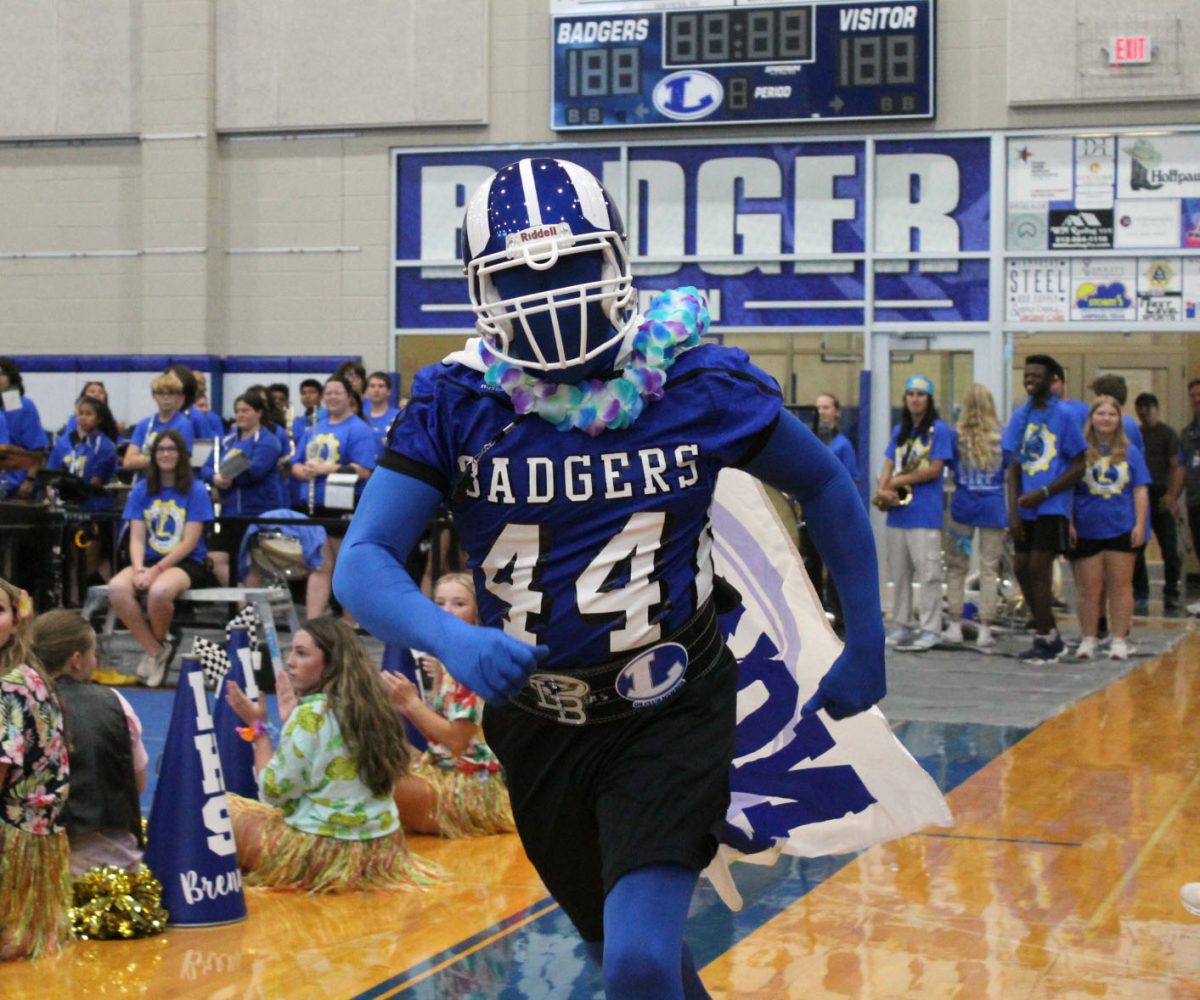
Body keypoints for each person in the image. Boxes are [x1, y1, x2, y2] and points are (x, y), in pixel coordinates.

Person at [333, 157, 885, 999]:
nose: (550, 292)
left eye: (573, 266)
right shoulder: (460, 400)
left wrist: (866, 636)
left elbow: (824, 482)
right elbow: (362, 561)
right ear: (485, 287)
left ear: (616, 261)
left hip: (670, 705)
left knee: (634, 960)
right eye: (522, 274)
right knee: (635, 959)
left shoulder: (695, 380)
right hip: (536, 723)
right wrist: (451, 636)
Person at [223, 617, 438, 893]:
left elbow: (272, 792)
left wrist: (259, 730)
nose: (290, 662)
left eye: (302, 653)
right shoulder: (376, 708)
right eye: (292, 652)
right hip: (381, 851)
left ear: (330, 663)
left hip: (320, 852)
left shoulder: (310, 715)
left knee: (220, 810)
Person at [384, 573, 516, 838]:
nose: (447, 611)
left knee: (376, 781)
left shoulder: (469, 662)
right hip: (445, 770)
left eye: (458, 604)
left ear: (477, 611)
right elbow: (441, 739)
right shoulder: (451, 658)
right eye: (440, 603)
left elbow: (456, 741)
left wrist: (411, 703)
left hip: (469, 787)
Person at [30, 610, 148, 875]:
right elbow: (137, 784)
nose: (95, 662)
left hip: (37, 860)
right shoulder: (116, 703)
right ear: (76, 660)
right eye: (94, 654)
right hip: (108, 864)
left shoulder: (17, 705)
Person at [0, 578, 73, 960]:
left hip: (14, 842)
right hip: (39, 841)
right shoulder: (29, 673)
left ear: (16, 621)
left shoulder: (10, 685)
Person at [109, 429, 215, 686]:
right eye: (161, 449)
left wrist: (156, 570)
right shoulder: (141, 490)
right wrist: (137, 569)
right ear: (153, 455)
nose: (166, 454)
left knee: (159, 592)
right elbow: (136, 537)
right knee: (117, 588)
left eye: (171, 449)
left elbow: (190, 541)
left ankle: (154, 651)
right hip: (147, 559)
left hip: (186, 562)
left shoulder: (196, 490)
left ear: (181, 455)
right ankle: (157, 650)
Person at [1003, 355, 1087, 663]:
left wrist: (1045, 491)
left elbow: (1080, 465)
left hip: (1052, 506)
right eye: (1027, 375)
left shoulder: (1064, 416)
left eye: (1036, 376)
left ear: (1052, 380)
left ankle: (1045, 639)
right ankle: (1049, 633)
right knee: (1022, 569)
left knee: (1039, 569)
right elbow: (1013, 468)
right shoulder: (1019, 416)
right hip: (1024, 508)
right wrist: (1012, 511)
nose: (1029, 380)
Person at [874, 374, 952, 651]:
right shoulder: (900, 432)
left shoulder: (938, 431)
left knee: (928, 573)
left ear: (929, 400)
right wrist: (884, 489)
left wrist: (895, 482)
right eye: (910, 394)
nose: (914, 399)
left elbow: (934, 469)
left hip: (925, 514)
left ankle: (931, 627)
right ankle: (903, 623)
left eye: (920, 394)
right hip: (898, 514)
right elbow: (888, 463)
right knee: (900, 573)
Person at [1069, 397, 1149, 660]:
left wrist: (1139, 523)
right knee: (1088, 589)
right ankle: (1089, 639)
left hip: (1121, 526)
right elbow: (1068, 490)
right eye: (1100, 413)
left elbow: (1140, 490)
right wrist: (1069, 522)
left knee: (1121, 587)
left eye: (1111, 414)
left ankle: (1118, 639)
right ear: (1091, 418)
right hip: (1087, 527)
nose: (1106, 418)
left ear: (1119, 419)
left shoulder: (1131, 452)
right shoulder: (1079, 452)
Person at [291, 375, 376, 619]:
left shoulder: (359, 429)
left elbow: (364, 470)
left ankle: (350, 623)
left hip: (344, 504)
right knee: (319, 565)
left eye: (337, 393)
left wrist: (326, 469)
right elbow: (295, 464)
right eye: (327, 393)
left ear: (350, 397)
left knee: (345, 566)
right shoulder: (314, 429)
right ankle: (313, 622)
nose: (331, 398)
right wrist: (304, 471)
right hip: (314, 505)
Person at [943, 384, 1008, 648]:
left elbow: (948, 466)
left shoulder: (955, 437)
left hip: (963, 505)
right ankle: (985, 629)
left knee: (957, 567)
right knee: (989, 569)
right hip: (993, 506)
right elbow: (1008, 469)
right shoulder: (1002, 438)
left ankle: (956, 625)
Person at [204, 391, 285, 586]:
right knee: (216, 559)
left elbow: (256, 469)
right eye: (237, 411)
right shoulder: (227, 441)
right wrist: (215, 477)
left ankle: (252, 610)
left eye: (245, 410)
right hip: (229, 513)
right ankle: (244, 607)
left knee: (253, 566)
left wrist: (227, 477)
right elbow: (206, 468)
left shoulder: (269, 441)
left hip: (257, 512)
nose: (240, 415)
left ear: (258, 413)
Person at [45, 395, 120, 597]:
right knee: (72, 561)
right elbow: (53, 474)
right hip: (72, 508)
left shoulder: (104, 445)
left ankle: (100, 595)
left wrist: (72, 488)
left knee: (88, 562)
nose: (83, 418)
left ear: (99, 418)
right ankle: (75, 598)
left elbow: (94, 482)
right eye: (80, 413)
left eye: (88, 414)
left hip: (96, 509)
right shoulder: (73, 444)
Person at [799, 393, 859, 632]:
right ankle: (814, 618)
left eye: (826, 407)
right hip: (809, 515)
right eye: (818, 408)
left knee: (835, 569)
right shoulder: (807, 442)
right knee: (809, 566)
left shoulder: (843, 445)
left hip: (832, 517)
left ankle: (840, 619)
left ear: (836, 412)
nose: (821, 412)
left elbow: (853, 483)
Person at [1132, 392, 1184, 613]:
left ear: (1156, 408)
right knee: (1136, 546)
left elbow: (1177, 466)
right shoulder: (1136, 433)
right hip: (1141, 492)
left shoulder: (1168, 434)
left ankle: (1171, 592)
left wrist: (1172, 495)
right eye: (1140, 408)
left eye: (1148, 407)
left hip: (1161, 494)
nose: (1144, 412)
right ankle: (1141, 592)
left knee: (1170, 548)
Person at [122, 371, 196, 472]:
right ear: (154, 396)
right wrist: (163, 458)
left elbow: (182, 461)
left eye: (171, 393)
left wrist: (145, 458)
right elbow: (128, 462)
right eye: (161, 393)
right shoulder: (144, 424)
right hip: (145, 481)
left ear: (178, 397)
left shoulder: (184, 425)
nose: (166, 397)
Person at [0, 357, 48, 499]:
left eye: (2, 374)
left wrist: (30, 480)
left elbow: (38, 449)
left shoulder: (23, 406)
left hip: (18, 485)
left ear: (11, 378)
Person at [1180, 379, 1200, 572]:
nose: (1196, 399)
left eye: (1199, 395)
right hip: (1195, 500)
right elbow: (1181, 466)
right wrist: (1172, 497)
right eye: (1193, 396)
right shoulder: (1188, 433)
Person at [364, 371, 401, 452]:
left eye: (381, 386)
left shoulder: (398, 416)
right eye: (372, 386)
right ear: (366, 391)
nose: (376, 390)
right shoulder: (360, 416)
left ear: (389, 391)